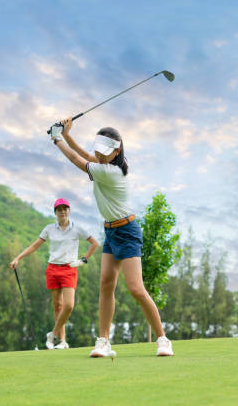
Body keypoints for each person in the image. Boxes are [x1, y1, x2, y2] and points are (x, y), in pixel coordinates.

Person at [49, 117, 174, 357]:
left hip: (127, 232)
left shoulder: (111, 172)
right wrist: (65, 134)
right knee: (106, 284)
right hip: (111, 231)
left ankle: (162, 338)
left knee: (136, 288)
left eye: (105, 152)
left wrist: (56, 138)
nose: (100, 154)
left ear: (117, 151)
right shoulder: (104, 162)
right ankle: (103, 341)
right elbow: (84, 153)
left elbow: (77, 159)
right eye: (99, 150)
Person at [10, 198, 99, 350]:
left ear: (69, 211)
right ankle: (62, 341)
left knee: (69, 305)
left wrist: (83, 260)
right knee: (58, 306)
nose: (62, 211)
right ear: (55, 213)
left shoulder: (77, 228)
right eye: (59, 209)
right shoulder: (49, 229)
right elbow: (35, 246)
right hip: (52, 269)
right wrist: (18, 257)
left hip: (69, 269)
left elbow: (94, 243)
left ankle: (53, 334)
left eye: (65, 209)